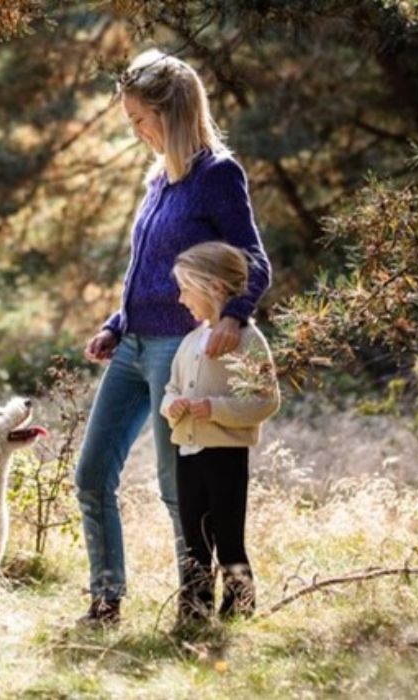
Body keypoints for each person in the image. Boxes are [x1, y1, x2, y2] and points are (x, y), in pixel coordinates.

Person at [73, 48, 272, 627]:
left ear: (174, 112)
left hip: (179, 351)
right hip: (133, 346)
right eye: (130, 120)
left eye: (140, 119)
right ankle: (106, 599)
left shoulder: (217, 176)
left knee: (176, 486)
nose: (135, 131)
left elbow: (254, 260)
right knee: (91, 476)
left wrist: (234, 315)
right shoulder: (160, 178)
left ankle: (196, 604)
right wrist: (116, 324)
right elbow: (149, 271)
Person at [161, 241, 280, 630]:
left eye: (184, 288)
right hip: (188, 452)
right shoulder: (189, 341)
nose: (180, 299)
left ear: (212, 287)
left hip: (225, 455)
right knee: (194, 541)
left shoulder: (247, 340)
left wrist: (213, 408)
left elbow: (266, 401)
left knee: (228, 538)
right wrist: (173, 406)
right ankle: (194, 615)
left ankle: (239, 613)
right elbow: (170, 391)